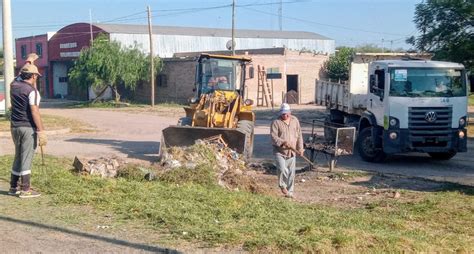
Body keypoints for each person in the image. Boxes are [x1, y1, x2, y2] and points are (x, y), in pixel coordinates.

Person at [8, 63, 47, 198]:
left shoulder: (13, 86)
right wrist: (41, 131)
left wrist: (28, 62)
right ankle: (25, 189)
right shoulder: (32, 92)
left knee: (18, 155)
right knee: (26, 156)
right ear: (34, 76)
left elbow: (18, 76)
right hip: (27, 127)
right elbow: (34, 111)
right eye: (36, 75)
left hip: (14, 127)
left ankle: (13, 186)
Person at [270, 103, 304, 198]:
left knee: (291, 173)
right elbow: (273, 136)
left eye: (287, 113)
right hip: (280, 151)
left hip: (292, 152)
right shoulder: (276, 122)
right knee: (282, 169)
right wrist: (283, 142)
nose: (285, 115)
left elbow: (299, 135)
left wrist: (300, 148)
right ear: (280, 113)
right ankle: (282, 185)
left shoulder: (295, 120)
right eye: (283, 114)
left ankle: (290, 192)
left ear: (290, 112)